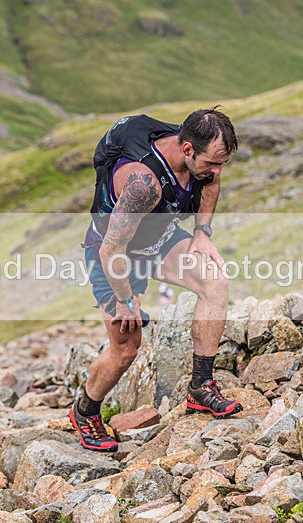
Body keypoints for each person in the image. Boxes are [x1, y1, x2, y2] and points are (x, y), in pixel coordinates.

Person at [71, 106, 243, 452]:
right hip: (114, 253)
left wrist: (202, 231)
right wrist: (125, 298)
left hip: (158, 239)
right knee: (126, 347)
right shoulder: (143, 185)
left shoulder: (202, 159)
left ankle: (201, 386)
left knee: (215, 281)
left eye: (222, 162)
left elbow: (211, 182)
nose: (217, 171)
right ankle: (85, 410)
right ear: (188, 150)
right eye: (211, 162)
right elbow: (111, 251)